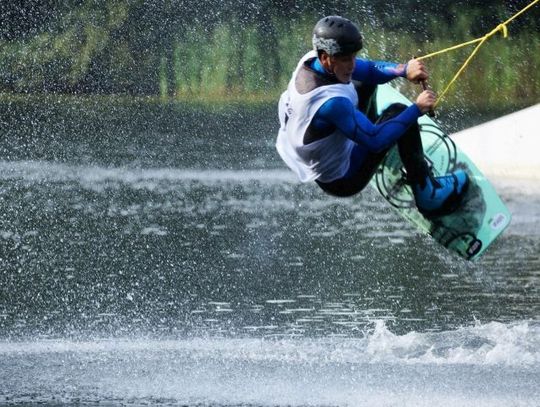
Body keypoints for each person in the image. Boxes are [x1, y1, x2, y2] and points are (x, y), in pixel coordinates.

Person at [276, 15, 469, 216]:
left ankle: (376, 131)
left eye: (353, 56)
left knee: (363, 81)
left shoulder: (312, 59)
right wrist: (417, 108)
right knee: (401, 112)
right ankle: (428, 194)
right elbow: (375, 140)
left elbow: (367, 70)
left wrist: (404, 69)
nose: (351, 64)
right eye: (345, 59)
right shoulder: (331, 103)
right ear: (326, 57)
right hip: (343, 179)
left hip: (319, 151)